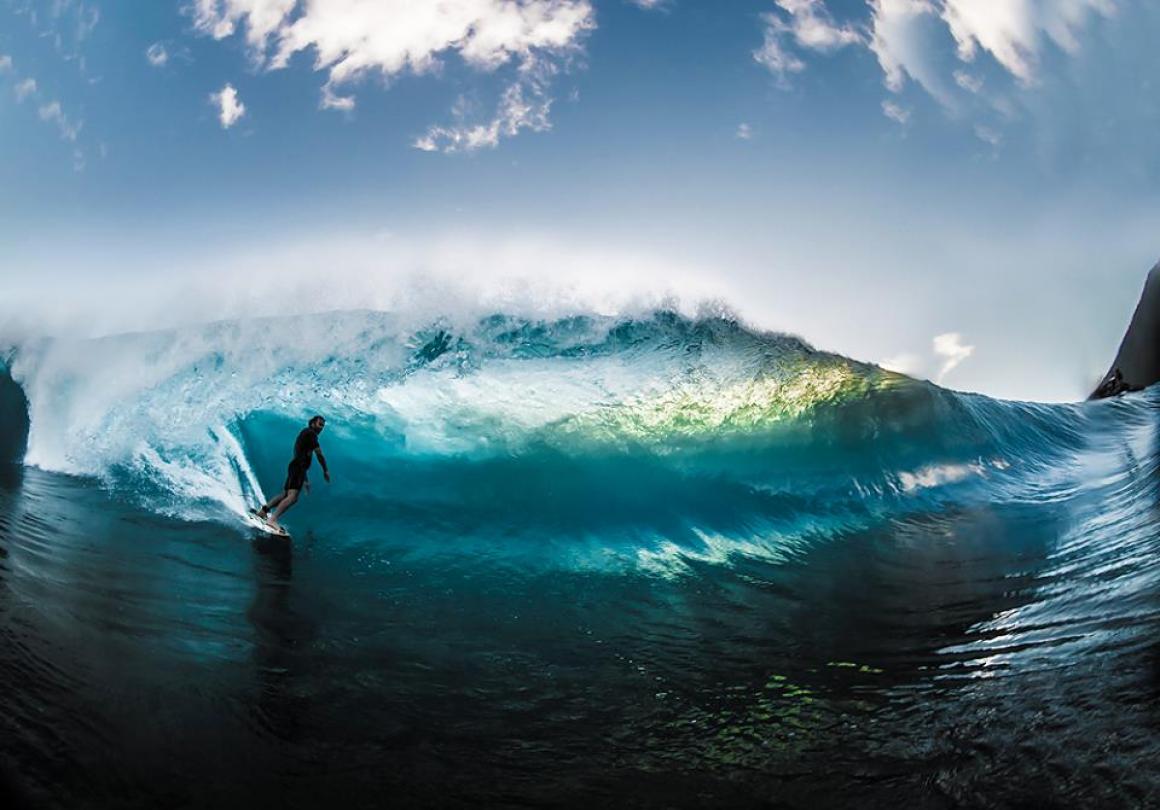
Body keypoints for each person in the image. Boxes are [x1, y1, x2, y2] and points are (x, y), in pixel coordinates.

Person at [254, 415, 330, 530]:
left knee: (285, 495)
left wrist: (305, 479)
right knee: (293, 497)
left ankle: (262, 512)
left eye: (323, 426)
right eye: (320, 424)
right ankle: (272, 520)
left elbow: (301, 456)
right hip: (298, 467)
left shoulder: (306, 434)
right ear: (312, 423)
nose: (321, 428)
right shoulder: (311, 434)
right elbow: (319, 454)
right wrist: (325, 470)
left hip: (295, 466)